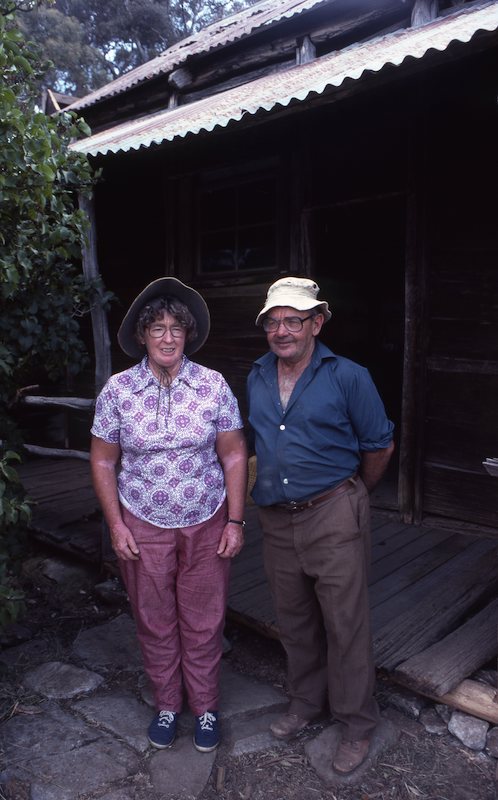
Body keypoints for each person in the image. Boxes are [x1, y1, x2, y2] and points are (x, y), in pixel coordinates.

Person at [90, 277, 247, 754]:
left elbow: (235, 455)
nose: (167, 337)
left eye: (176, 328)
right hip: (141, 521)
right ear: (142, 335)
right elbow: (102, 460)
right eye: (157, 327)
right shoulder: (119, 390)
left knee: (204, 619)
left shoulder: (212, 384)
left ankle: (204, 707)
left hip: (206, 518)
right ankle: (166, 703)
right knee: (154, 618)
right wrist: (116, 525)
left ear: (188, 335)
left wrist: (235, 521)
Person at [247, 276, 394, 775]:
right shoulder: (257, 375)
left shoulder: (349, 376)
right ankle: (307, 703)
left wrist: (352, 495)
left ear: (317, 322)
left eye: (293, 319)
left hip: (333, 511)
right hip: (275, 517)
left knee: (345, 623)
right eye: (274, 321)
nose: (282, 330)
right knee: (294, 620)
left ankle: (356, 723)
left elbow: (379, 446)